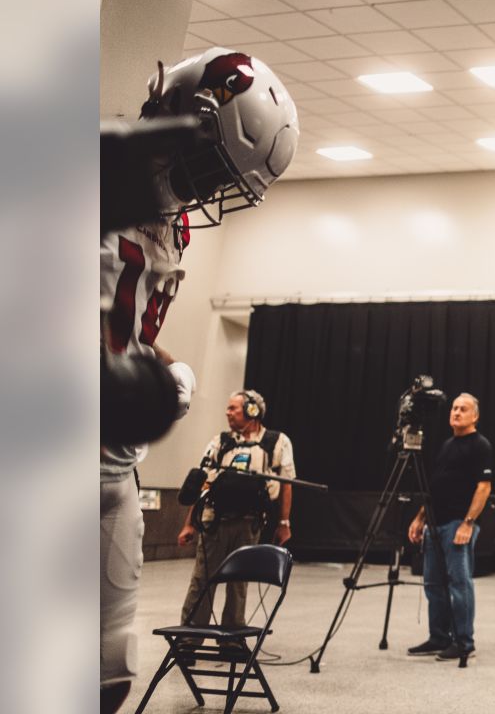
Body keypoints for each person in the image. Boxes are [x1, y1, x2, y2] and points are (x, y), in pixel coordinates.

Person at [100, 47, 299, 712]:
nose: (209, 187)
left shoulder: (177, 224)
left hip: (112, 462)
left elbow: (128, 332)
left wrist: (161, 371)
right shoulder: (88, 174)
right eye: (213, 164)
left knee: (108, 668)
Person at [177, 391, 296, 635]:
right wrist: (190, 524)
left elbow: (286, 484)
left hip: (249, 523)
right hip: (214, 521)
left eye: (234, 408)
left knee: (239, 582)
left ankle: (232, 636)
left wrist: (284, 522)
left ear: (252, 411)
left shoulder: (276, 442)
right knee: (202, 580)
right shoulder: (219, 442)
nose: (227, 413)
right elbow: (203, 483)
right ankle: (189, 637)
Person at [406, 393, 493, 661]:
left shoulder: (480, 445)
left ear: (474, 416)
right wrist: (420, 518)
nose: (456, 412)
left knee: (459, 584)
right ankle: (439, 637)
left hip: (458, 524)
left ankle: (464, 642)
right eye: (454, 408)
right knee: (433, 583)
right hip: (435, 524)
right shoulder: (446, 445)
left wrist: (468, 524)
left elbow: (484, 487)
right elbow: (435, 487)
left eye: (463, 409)